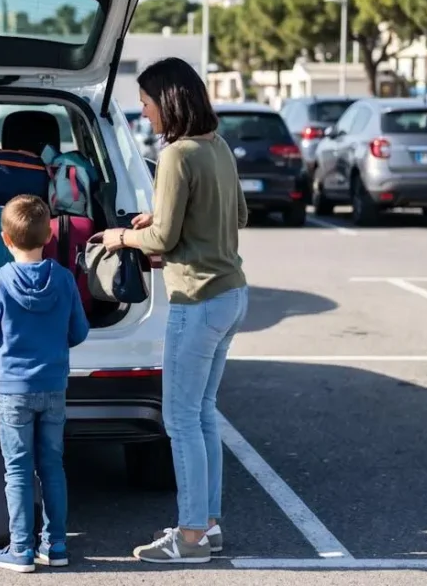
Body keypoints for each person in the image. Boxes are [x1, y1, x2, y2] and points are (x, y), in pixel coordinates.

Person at [98, 57, 250, 565]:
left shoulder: (176, 155)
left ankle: (189, 538)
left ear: (167, 101)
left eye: (146, 103)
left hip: (197, 300)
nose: (144, 113)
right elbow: (238, 214)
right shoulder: (217, 146)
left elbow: (162, 239)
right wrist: (162, 217)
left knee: (179, 419)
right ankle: (208, 525)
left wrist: (122, 236)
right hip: (232, 294)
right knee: (202, 414)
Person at [0, 195, 89, 573]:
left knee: (18, 470)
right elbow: (79, 332)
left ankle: (21, 549)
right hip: (54, 387)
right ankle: (56, 545)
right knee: (52, 465)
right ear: (49, 236)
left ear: (5, 239)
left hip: (14, 391)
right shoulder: (64, 279)